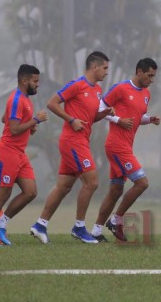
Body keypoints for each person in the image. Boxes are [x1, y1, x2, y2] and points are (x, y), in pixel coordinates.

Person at [30, 52, 113, 244]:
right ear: (95, 67)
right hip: (72, 141)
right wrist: (71, 119)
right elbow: (52, 103)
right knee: (91, 182)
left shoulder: (97, 90)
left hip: (81, 141)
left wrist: (105, 113)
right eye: (105, 68)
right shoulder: (77, 84)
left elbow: (90, 118)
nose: (107, 72)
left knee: (64, 186)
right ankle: (79, 227)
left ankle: (40, 225)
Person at [0, 64, 48, 246]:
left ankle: (0, 224)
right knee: (3, 194)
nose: (37, 85)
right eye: (35, 81)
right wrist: (35, 120)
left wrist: (29, 126)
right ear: (25, 81)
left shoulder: (24, 99)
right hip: (7, 152)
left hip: (19, 153)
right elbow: (14, 128)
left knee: (30, 192)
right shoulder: (16, 99)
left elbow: (4, 119)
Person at [89, 58, 160, 242]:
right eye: (149, 75)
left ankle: (96, 232)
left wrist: (149, 119)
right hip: (116, 145)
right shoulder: (120, 88)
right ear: (139, 72)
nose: (151, 80)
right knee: (142, 183)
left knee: (115, 191)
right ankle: (116, 220)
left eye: (154, 76)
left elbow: (138, 116)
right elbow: (100, 109)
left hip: (126, 146)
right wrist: (117, 120)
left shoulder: (146, 94)